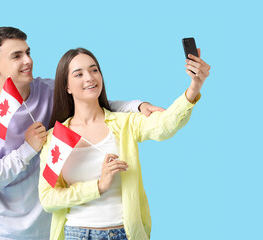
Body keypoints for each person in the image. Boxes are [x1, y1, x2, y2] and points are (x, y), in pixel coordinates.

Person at [0, 27, 163, 240]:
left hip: (51, 229)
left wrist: (137, 105)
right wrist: (27, 149)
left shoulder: (50, 91)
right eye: (16, 56)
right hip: (1, 233)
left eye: (28, 52)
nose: (28, 61)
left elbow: (93, 103)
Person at [38, 47, 211, 240]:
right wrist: (98, 186)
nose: (89, 77)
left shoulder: (124, 123)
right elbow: (48, 199)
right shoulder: (56, 138)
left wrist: (194, 88)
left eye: (94, 70)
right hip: (75, 234)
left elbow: (165, 125)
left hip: (122, 234)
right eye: (78, 74)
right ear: (67, 87)